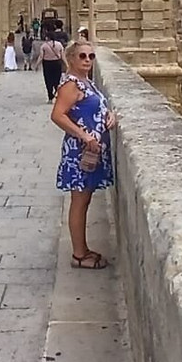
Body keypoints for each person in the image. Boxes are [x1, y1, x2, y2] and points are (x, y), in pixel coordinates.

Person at [50, 40, 117, 269]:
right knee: (79, 202)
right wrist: (85, 136)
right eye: (82, 56)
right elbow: (58, 115)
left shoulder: (85, 81)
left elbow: (94, 106)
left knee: (84, 200)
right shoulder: (70, 84)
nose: (87, 60)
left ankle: (83, 249)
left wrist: (110, 114)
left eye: (91, 56)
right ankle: (79, 254)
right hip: (80, 153)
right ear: (71, 59)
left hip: (91, 151)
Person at [39, 32, 65, 102]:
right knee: (57, 80)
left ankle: (50, 96)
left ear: (47, 37)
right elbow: (63, 56)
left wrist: (37, 65)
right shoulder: (59, 44)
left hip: (47, 64)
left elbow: (41, 56)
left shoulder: (44, 46)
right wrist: (67, 64)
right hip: (57, 63)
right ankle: (57, 93)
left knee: (48, 80)